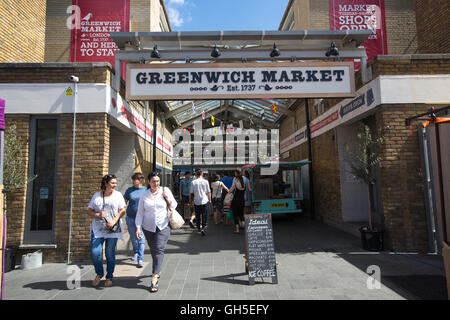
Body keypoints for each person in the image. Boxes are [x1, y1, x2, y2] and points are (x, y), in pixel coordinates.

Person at [135, 171, 177, 293]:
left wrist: (167, 199)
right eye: (153, 181)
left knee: (159, 248)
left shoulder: (165, 190)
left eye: (158, 181)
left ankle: (155, 277)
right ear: (149, 182)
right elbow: (140, 212)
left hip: (163, 226)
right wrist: (138, 227)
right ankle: (157, 269)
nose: (156, 183)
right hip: (148, 227)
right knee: (154, 250)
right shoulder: (144, 194)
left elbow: (174, 205)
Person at [87, 174, 126, 287]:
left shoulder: (118, 195)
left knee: (109, 254)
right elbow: (89, 211)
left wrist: (114, 220)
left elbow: (122, 210)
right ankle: (99, 273)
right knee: (95, 253)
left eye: (115, 183)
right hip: (97, 229)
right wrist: (97, 214)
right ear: (106, 183)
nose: (115, 185)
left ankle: (109, 276)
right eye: (112, 182)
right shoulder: (96, 196)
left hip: (112, 229)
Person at [123, 172, 147, 268]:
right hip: (130, 217)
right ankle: (136, 252)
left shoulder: (145, 190)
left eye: (134, 179)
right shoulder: (129, 190)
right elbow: (124, 202)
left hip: (142, 218)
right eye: (132, 179)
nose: (133, 181)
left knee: (141, 237)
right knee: (133, 237)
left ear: (140, 180)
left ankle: (140, 258)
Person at [190, 169, 211, 236]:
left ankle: (198, 227)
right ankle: (203, 228)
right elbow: (208, 192)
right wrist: (209, 199)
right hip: (204, 200)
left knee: (198, 215)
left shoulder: (193, 182)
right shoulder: (206, 181)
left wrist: (190, 201)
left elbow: (191, 192)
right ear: (202, 174)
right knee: (204, 215)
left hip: (196, 201)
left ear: (196, 174)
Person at [228, 168, 246, 234]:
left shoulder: (235, 183)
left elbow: (230, 191)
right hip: (242, 201)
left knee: (235, 215)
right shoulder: (244, 185)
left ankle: (237, 230)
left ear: (236, 178)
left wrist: (228, 192)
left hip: (235, 202)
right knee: (241, 214)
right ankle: (243, 226)